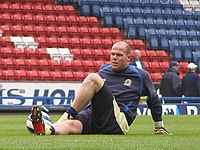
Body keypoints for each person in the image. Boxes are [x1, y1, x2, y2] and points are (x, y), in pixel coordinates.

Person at [30, 41, 171, 135]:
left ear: (129, 58)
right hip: (95, 114)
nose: (114, 57)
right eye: (112, 54)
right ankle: (47, 129)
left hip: (118, 121)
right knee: (72, 125)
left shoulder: (140, 75)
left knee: (93, 78)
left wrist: (159, 125)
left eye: (119, 55)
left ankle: (63, 117)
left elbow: (153, 99)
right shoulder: (104, 69)